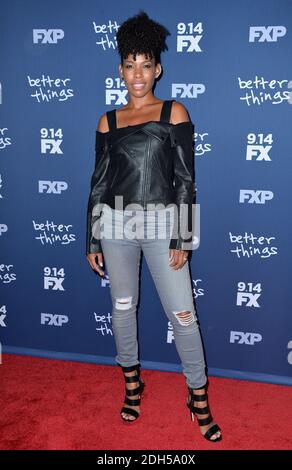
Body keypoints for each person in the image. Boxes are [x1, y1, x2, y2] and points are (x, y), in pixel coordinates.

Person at [86, 10, 222, 442]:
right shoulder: (107, 121)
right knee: (122, 310)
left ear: (158, 68)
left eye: (146, 64)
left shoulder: (174, 112)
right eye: (130, 64)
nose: (138, 73)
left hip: (164, 224)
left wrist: (184, 235)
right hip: (115, 224)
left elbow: (185, 179)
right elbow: (98, 183)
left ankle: (198, 396)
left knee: (184, 315)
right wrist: (92, 236)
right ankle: (131, 386)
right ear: (121, 69)